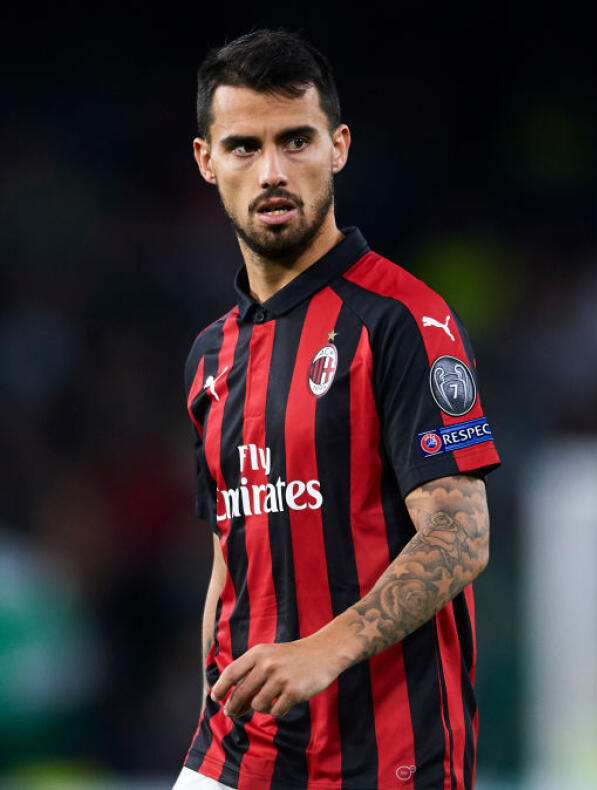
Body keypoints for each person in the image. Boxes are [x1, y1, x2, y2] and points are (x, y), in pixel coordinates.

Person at [175, 29, 500, 790]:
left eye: (297, 140)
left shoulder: (403, 320)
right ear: (206, 161)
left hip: (385, 757)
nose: (274, 171)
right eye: (245, 147)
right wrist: (206, 715)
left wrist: (324, 649)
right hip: (239, 751)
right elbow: (233, 557)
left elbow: (462, 533)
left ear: (339, 147)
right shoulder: (209, 357)